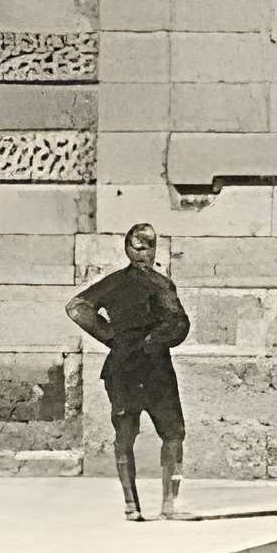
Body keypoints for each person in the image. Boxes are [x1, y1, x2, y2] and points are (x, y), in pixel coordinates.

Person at [66, 224, 191, 522]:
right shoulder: (155, 284)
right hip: (143, 366)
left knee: (150, 433)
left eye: (146, 247)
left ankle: (149, 505)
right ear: (129, 248)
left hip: (136, 365)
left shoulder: (133, 283)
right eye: (139, 247)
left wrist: (118, 338)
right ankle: (149, 505)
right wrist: (122, 338)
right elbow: (179, 324)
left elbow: (78, 307)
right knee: (150, 433)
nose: (143, 254)